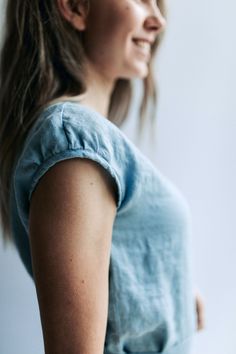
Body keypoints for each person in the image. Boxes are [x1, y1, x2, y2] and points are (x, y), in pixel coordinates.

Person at [0, 0, 205, 353]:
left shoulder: (87, 141)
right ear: (74, 7)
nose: (157, 20)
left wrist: (172, 292)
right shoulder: (73, 142)